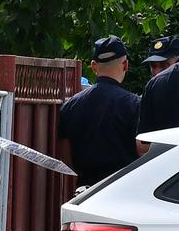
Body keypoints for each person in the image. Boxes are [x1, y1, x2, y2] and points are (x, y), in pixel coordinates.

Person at [58, 36, 141, 187]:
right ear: (125, 65)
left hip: (85, 190)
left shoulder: (71, 105)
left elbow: (65, 157)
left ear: (94, 66)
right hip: (123, 188)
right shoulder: (134, 104)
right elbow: (141, 149)